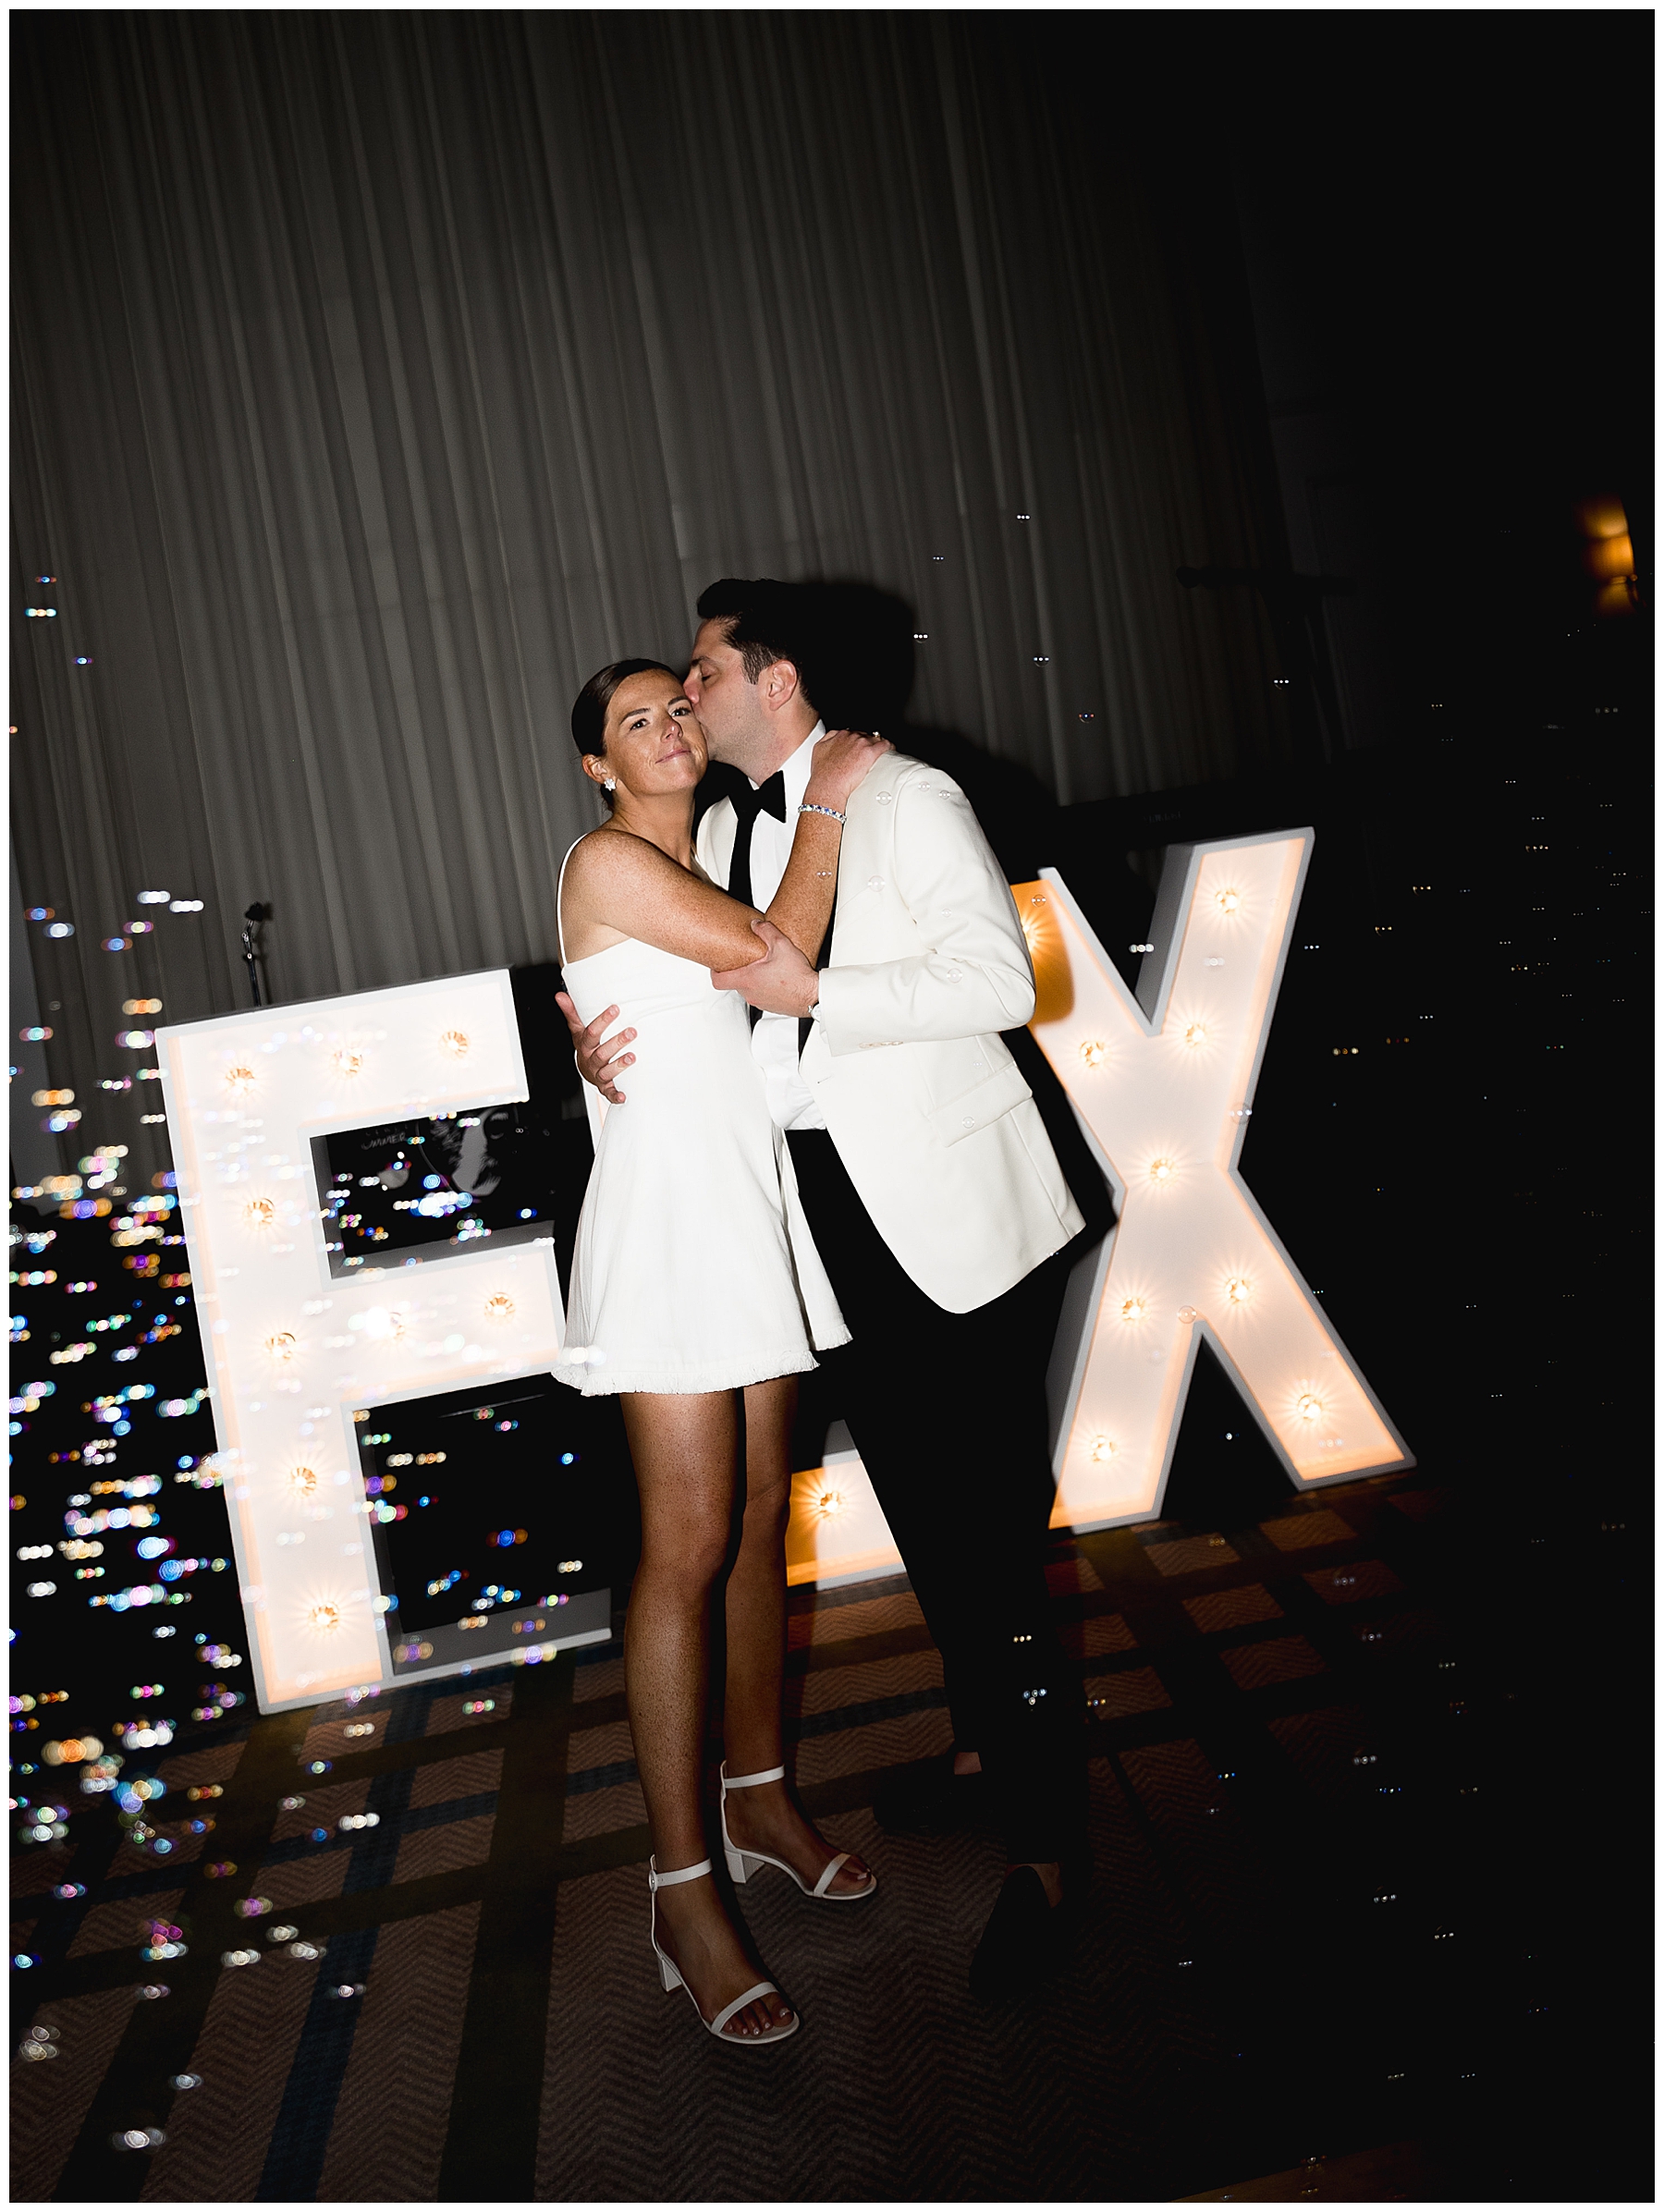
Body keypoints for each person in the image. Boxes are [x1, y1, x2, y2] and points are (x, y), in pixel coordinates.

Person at [561, 582, 1090, 1999]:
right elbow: (704, 989)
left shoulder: (902, 794)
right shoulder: (724, 834)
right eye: (655, 702)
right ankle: (981, 1748)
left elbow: (999, 980)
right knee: (918, 1517)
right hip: (806, 1230)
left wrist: (815, 994)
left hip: (944, 1218)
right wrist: (596, 1048)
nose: (687, 701)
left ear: (775, 678)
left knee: (991, 1530)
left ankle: (1047, 1845)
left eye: (699, 677)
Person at [551, 656, 889, 2047]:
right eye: (635, 721)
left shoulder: (719, 854)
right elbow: (779, 966)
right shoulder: (608, 861)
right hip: (671, 1225)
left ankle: (759, 1802)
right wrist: (835, 806)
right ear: (598, 764)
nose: (670, 728)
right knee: (686, 1544)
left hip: (749, 1205)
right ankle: (681, 1890)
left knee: (757, 1524)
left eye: (679, 706)